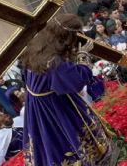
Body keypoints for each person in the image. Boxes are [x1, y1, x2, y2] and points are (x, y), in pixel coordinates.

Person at [19, 14, 114, 165]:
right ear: (69, 35)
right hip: (54, 106)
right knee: (64, 138)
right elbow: (77, 80)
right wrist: (83, 56)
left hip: (36, 103)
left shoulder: (37, 46)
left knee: (44, 140)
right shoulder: (53, 62)